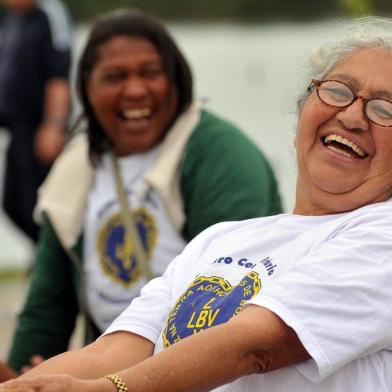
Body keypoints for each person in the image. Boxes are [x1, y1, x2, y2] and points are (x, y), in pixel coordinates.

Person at [1, 15, 392, 392]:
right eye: (338, 91)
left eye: (385, 110)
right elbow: (118, 350)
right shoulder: (220, 240)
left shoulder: (384, 238)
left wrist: (108, 391)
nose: (353, 116)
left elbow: (256, 345)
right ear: (302, 113)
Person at [6, 9, 282, 374]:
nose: (135, 90)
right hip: (107, 366)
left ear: (178, 79)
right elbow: (47, 306)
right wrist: (27, 375)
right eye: (115, 76)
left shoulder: (220, 155)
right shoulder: (75, 166)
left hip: (206, 367)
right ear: (87, 89)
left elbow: (228, 298)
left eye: (150, 73)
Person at [0, 0, 71, 242]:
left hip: (41, 128)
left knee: (40, 207)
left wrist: (54, 124)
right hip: (16, 129)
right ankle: (43, 257)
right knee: (12, 204)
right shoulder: (13, 19)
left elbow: (60, 73)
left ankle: (55, 264)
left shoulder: (50, 13)